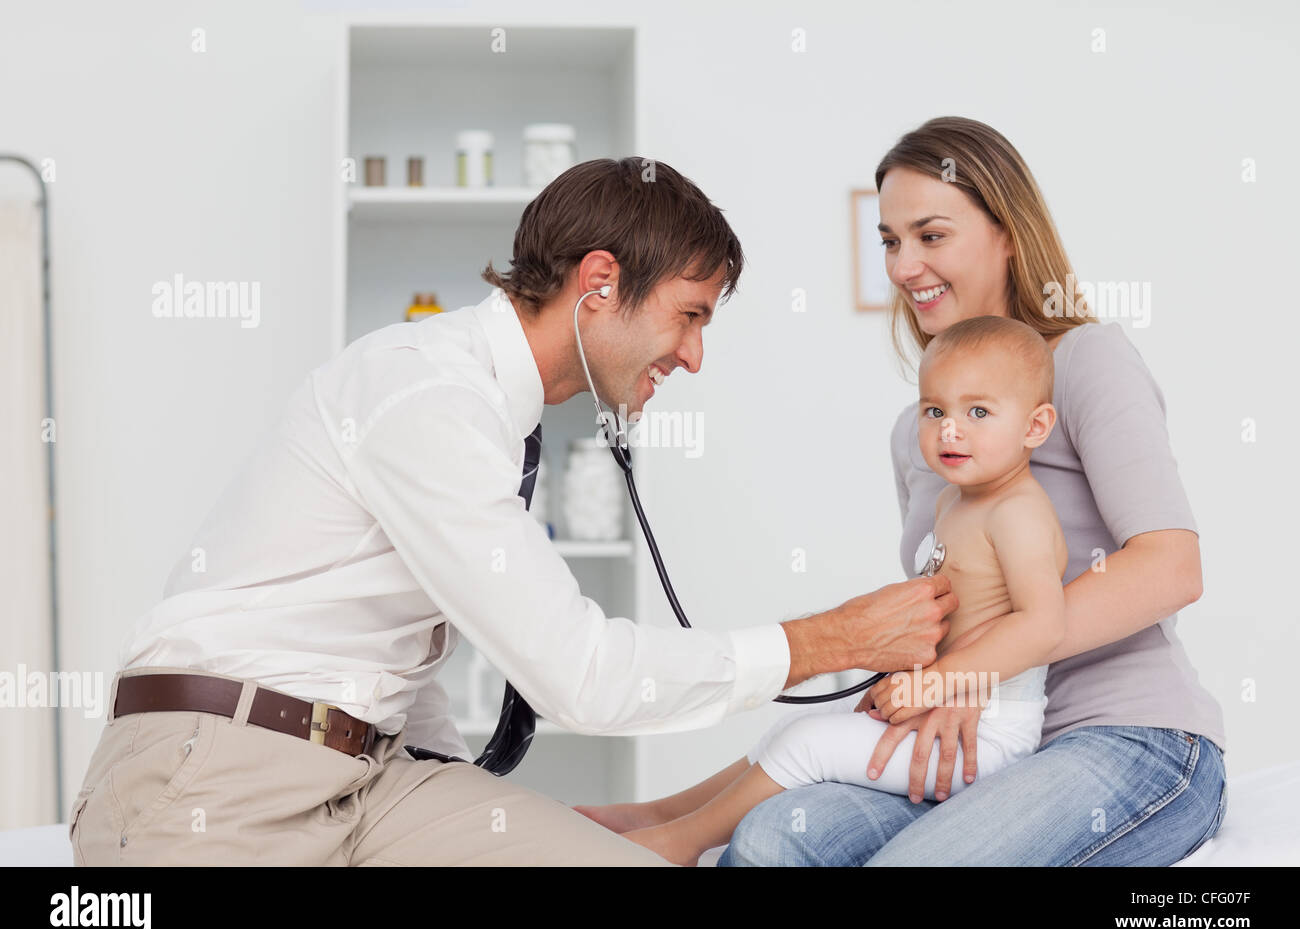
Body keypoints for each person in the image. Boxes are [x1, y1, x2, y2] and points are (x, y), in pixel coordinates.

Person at [67, 157, 956, 866]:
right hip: (222, 770)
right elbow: (583, 674)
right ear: (600, 282)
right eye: (689, 317)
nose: (692, 356)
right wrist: (835, 639)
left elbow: (389, 656)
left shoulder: (497, 417)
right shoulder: (426, 393)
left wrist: (484, 811)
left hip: (366, 775)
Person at [716, 117, 1226, 866]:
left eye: (930, 235)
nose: (902, 264)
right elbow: (960, 605)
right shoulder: (919, 435)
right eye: (890, 241)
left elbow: (1170, 566)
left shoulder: (1085, 362)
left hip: (1128, 738)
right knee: (768, 844)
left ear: (1007, 233)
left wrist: (974, 668)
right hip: (981, 744)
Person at [578, 316, 1071, 865]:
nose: (950, 430)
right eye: (935, 411)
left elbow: (1043, 625)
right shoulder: (955, 502)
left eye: (978, 412)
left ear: (1035, 426)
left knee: (807, 744)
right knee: (794, 728)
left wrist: (932, 686)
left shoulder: (1018, 513)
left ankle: (680, 844)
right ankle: (663, 815)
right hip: (939, 709)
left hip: (987, 737)